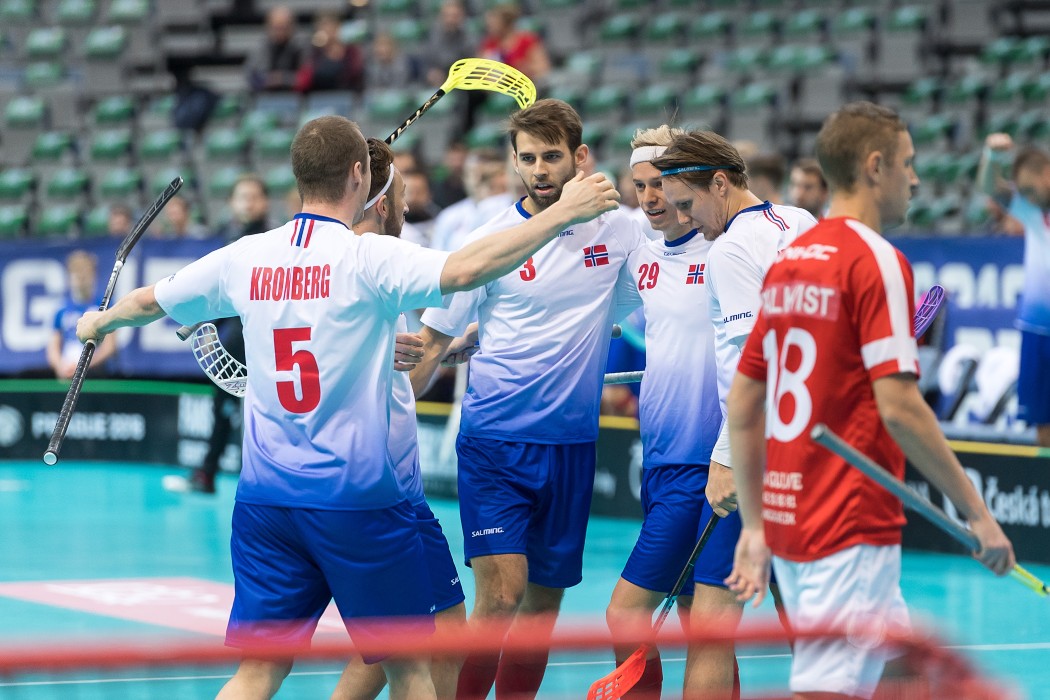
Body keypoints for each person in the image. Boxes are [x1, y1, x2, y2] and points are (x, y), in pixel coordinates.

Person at [74, 114, 620, 700]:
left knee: (257, 672)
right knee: (411, 667)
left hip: (264, 502)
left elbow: (147, 301)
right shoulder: (368, 258)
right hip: (355, 502)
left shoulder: (245, 256)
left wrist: (98, 321)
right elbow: (466, 270)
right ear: (361, 176)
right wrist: (564, 213)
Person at [725, 101, 1015, 699]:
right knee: (827, 690)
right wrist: (978, 514)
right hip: (848, 520)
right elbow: (901, 407)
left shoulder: (790, 263)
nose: (915, 179)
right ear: (876, 166)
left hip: (790, 518)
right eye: (908, 164)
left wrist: (757, 526)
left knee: (905, 670)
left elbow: (745, 401)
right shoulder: (877, 260)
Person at [408, 98, 647, 700]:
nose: (540, 170)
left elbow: (631, 305)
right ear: (515, 164)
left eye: (552, 157)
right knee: (502, 594)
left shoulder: (620, 231)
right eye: (528, 159)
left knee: (542, 610)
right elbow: (432, 348)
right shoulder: (491, 242)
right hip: (495, 443)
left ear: (581, 157)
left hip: (571, 445)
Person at [652, 130, 817, 698]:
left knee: (711, 628)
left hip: (755, 456)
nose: (685, 219)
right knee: (805, 615)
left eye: (687, 204)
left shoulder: (728, 251)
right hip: (809, 447)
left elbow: (759, 363)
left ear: (719, 184)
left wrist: (726, 459)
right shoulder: (801, 222)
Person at [333, 138, 467, 700]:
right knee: (415, 641)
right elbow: (467, 269)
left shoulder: (337, 262)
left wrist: (449, 347)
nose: (410, 210)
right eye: (404, 198)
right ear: (381, 201)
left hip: (386, 487)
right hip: (379, 491)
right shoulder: (372, 258)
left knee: (422, 630)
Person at [601, 126, 723, 698]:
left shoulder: (728, 250)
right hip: (661, 461)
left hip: (706, 465)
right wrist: (472, 336)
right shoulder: (642, 257)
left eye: (658, 184)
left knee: (625, 613)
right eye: (638, 186)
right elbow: (584, 314)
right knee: (703, 627)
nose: (648, 198)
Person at [168, 176, 273, 494]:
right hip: (234, 337)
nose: (248, 203)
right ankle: (209, 473)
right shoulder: (233, 237)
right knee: (224, 407)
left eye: (254, 197)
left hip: (259, 338)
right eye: (241, 197)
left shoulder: (271, 238)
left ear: (265, 202)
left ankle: (243, 478)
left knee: (260, 410)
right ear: (231, 203)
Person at [976, 133, 1050, 447]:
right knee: (1042, 426)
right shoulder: (1035, 214)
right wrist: (992, 156)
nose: (1027, 198)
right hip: (1037, 333)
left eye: (1031, 190)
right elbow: (991, 188)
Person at [47, 251, 117, 379]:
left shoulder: (104, 306)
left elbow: (110, 346)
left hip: (94, 373)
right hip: (67, 373)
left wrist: (82, 367)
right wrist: (60, 367)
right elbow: (53, 348)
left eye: (85, 272)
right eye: (77, 273)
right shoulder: (61, 309)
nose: (81, 278)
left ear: (93, 275)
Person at [295, 11, 365, 94]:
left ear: (338, 28)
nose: (328, 32)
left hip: (347, 96)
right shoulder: (314, 53)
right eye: (323, 28)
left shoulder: (351, 52)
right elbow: (306, 79)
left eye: (330, 27)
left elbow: (356, 76)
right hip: (319, 98)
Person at [245, 5, 303, 92]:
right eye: (277, 27)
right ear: (268, 27)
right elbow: (251, 77)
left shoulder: (300, 47)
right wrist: (269, 80)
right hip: (265, 98)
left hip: (296, 98)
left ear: (292, 27)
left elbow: (305, 79)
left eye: (284, 27)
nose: (280, 32)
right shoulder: (260, 48)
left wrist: (282, 78)